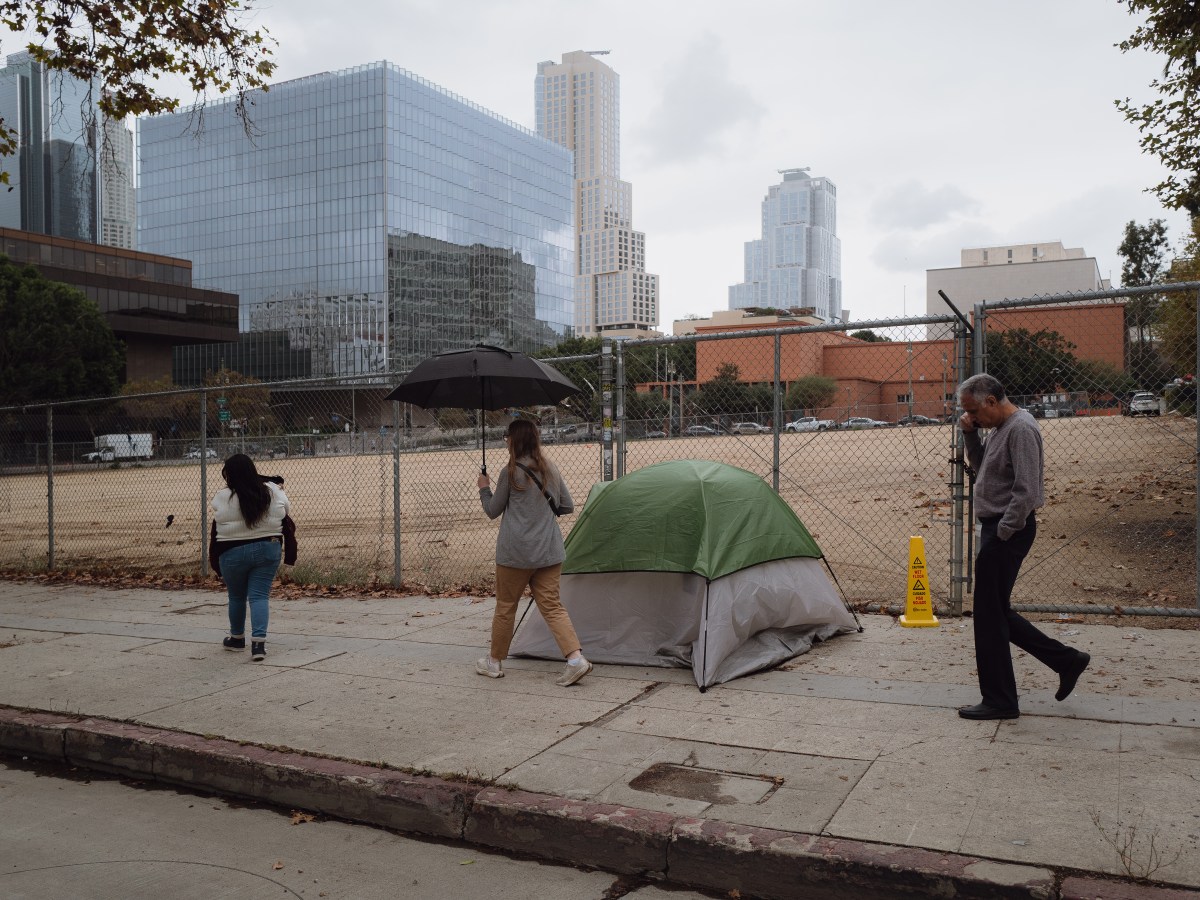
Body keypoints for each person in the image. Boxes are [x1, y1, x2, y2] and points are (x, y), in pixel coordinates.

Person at [957, 373, 1090, 719]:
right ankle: (1066, 660)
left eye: (972, 411)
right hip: (999, 528)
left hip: (1007, 530)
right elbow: (983, 468)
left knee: (988, 616)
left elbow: (1027, 490)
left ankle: (1001, 700)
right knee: (994, 612)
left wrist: (1003, 531)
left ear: (990, 400)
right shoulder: (1000, 428)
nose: (970, 416)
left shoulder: (1021, 428)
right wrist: (970, 433)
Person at [476, 418, 591, 686]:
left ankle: (494, 662)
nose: (505, 440)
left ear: (514, 440)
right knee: (552, 606)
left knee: (506, 606)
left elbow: (493, 510)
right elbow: (567, 506)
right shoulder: (550, 467)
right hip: (549, 551)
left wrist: (484, 488)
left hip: (514, 554)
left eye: (507, 436)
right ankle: (575, 659)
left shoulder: (510, 472)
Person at [208, 453, 294, 662]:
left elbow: (217, 515)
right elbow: (286, 510)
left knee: (236, 596)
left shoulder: (222, 496)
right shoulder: (272, 491)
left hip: (231, 551)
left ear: (228, 475)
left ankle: (237, 639)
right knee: (259, 596)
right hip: (268, 548)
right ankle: (258, 645)